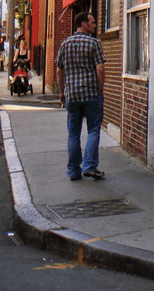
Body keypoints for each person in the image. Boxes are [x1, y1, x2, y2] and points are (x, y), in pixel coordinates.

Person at [56, 12, 106, 181]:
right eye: (92, 22)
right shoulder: (94, 43)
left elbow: (59, 70)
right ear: (84, 24)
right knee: (93, 130)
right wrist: (101, 89)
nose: (95, 25)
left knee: (73, 133)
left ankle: (73, 170)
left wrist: (62, 92)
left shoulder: (65, 43)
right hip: (91, 93)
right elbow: (100, 69)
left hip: (72, 95)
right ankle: (90, 166)